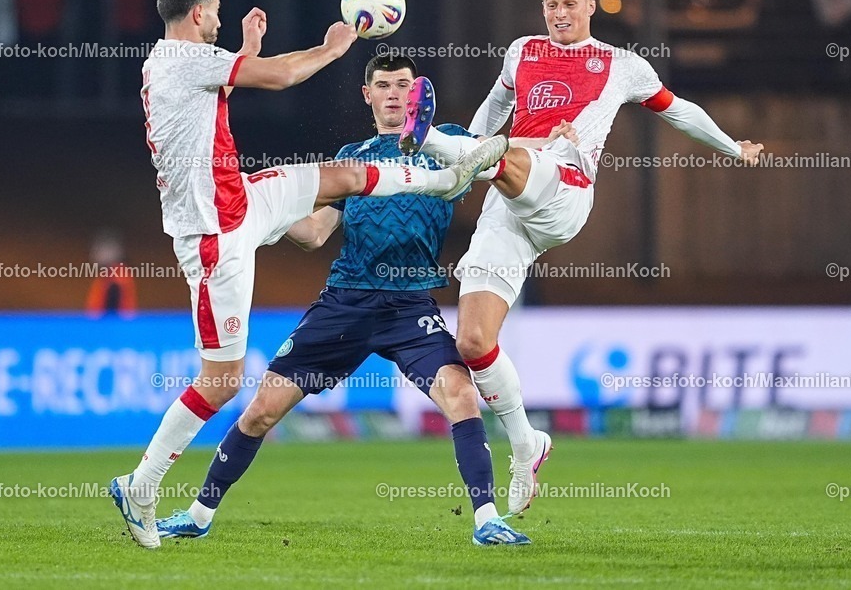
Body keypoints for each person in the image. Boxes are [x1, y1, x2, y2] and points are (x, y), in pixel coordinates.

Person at [110, 0, 508, 549]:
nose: (220, 20)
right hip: (218, 233)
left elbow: (215, 98)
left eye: (405, 85)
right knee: (225, 387)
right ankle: (146, 486)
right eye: (216, 12)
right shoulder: (182, 60)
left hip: (249, 202)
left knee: (345, 175)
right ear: (197, 14)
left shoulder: (168, 64)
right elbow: (283, 77)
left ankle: (445, 181)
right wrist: (332, 47)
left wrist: (245, 50)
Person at [154, 56, 576, 546]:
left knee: (463, 397)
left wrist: (549, 144)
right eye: (384, 85)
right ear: (367, 95)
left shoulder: (444, 143)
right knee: (260, 411)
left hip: (410, 307)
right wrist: (255, 213)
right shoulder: (351, 155)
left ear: (418, 94)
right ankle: (198, 514)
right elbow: (314, 234)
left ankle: (487, 520)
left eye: (404, 85)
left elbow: (499, 152)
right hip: (344, 305)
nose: (395, 94)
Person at [399, 0, 764, 515]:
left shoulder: (622, 65)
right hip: (508, 201)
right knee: (472, 341)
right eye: (551, 4)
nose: (560, 13)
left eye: (570, 2)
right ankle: (527, 445)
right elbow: (496, 108)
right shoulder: (521, 51)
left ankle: (431, 145)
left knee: (506, 153)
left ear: (591, 5)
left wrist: (733, 148)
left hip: (562, 189)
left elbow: (677, 110)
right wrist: (474, 143)